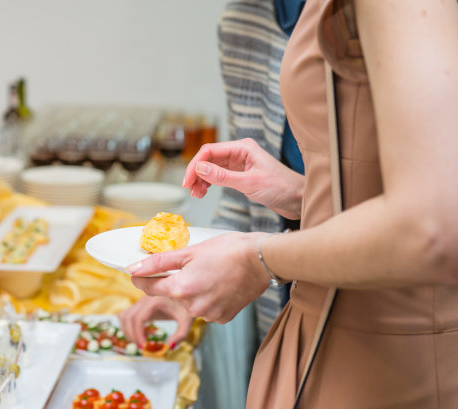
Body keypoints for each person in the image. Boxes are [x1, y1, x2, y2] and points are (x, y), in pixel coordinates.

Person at [126, 0, 458, 407]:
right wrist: (305, 195)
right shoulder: (246, 18)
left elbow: (432, 227)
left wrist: (260, 259)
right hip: (320, 335)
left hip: (389, 356)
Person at [120, 1, 305, 408]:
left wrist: (264, 260)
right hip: (285, 326)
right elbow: (246, 202)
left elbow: (414, 223)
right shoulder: (244, 20)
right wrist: (182, 282)